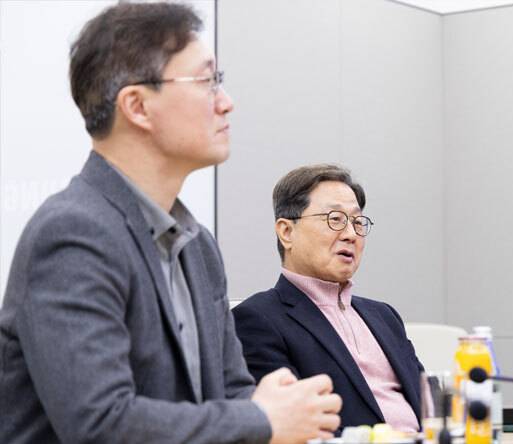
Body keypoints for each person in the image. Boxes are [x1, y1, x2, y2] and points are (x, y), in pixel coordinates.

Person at [0, 3, 340, 443]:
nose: (226, 102)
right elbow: (100, 425)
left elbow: (230, 392)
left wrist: (280, 408)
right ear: (137, 106)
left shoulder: (198, 246)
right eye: (206, 82)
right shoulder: (72, 234)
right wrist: (261, 420)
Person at [233, 164, 423, 432]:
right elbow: (291, 429)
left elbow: (431, 403)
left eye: (358, 222)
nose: (351, 234)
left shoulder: (385, 316)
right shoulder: (257, 319)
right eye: (335, 219)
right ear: (287, 232)